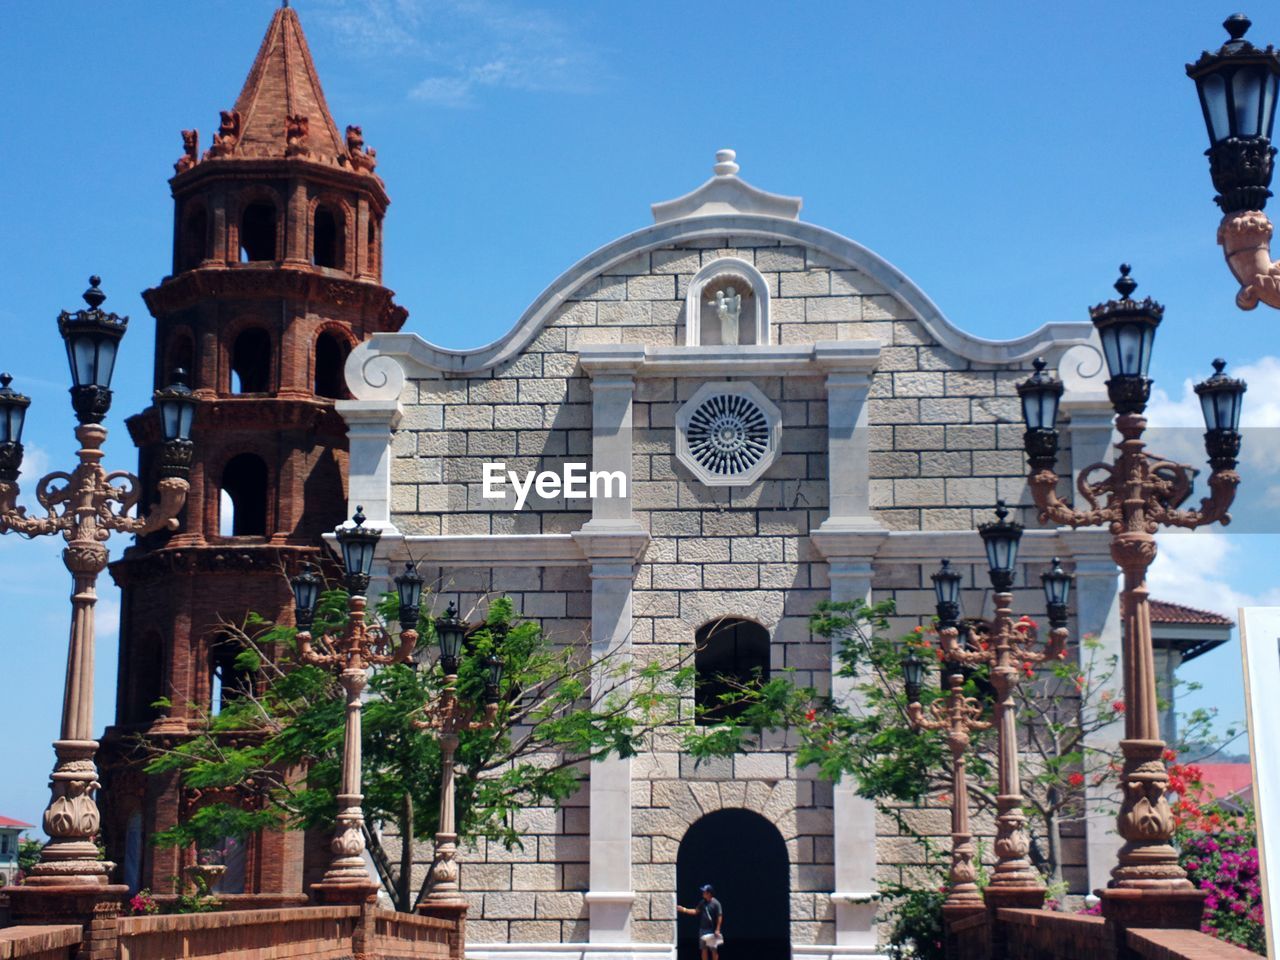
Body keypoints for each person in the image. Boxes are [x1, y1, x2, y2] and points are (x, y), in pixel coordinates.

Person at [678, 883, 723, 960]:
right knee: (703, 949)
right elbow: (696, 911)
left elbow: (720, 916)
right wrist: (684, 910)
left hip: (711, 930)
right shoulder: (702, 902)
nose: (703, 893)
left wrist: (718, 929)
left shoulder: (716, 903)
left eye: (704, 892)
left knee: (713, 950)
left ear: (709, 893)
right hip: (702, 930)